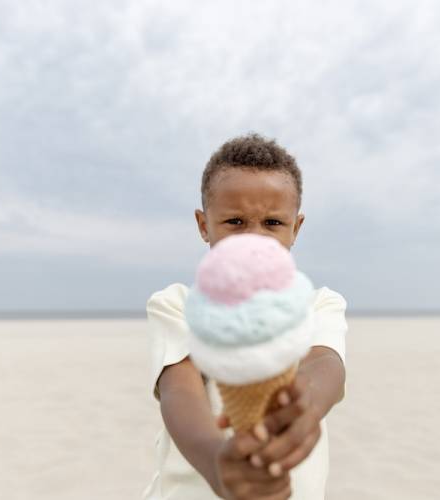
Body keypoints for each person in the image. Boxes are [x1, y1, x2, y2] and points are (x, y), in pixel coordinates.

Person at [143, 133, 347, 499]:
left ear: (296, 228)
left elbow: (326, 365)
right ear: (204, 224)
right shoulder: (178, 304)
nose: (254, 239)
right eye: (235, 221)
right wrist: (217, 463)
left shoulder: (317, 304)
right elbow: (179, 391)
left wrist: (306, 407)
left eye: (272, 223)